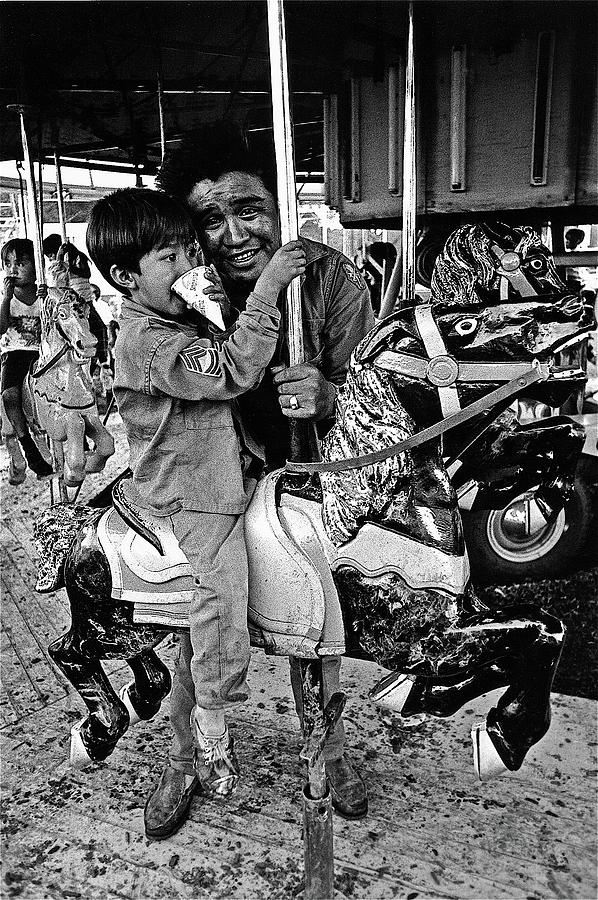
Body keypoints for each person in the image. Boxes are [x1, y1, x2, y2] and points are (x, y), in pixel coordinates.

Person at [154, 122, 374, 835]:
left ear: (279, 204)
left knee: (316, 620)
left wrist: (332, 394)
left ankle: (326, 748)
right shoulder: (185, 294)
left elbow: (378, 393)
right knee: (203, 618)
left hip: (311, 468)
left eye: (248, 209)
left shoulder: (335, 280)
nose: (234, 232)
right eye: (210, 219)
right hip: (221, 474)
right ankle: (186, 752)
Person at [86, 186, 306, 837]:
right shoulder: (149, 342)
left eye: (190, 251)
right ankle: (211, 722)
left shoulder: (176, 312)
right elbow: (236, 369)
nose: (189, 267)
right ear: (127, 277)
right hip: (196, 495)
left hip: (232, 468)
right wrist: (265, 291)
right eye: (170, 259)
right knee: (220, 592)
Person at [0, 238, 53, 481]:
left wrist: (49, 299)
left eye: (20, 263)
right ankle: (27, 445)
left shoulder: (46, 293)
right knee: (10, 395)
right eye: (7, 263)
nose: (13, 269)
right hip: (16, 353)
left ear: (36, 265)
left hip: (44, 354)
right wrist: (6, 298)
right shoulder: (6, 297)